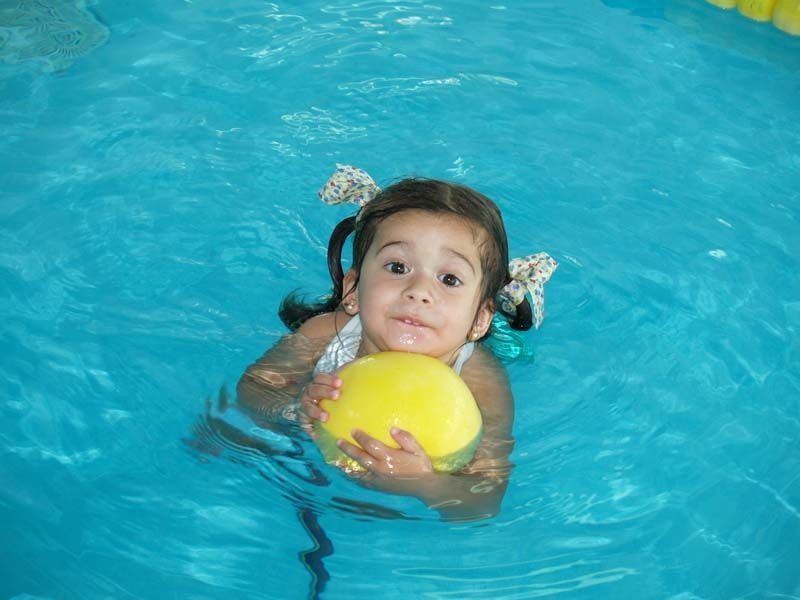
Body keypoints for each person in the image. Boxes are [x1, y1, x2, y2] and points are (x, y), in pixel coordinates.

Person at [237, 164, 557, 520]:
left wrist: (425, 484)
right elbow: (253, 389)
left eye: (449, 279)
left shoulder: (480, 381)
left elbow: (483, 501)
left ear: (480, 319)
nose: (419, 291)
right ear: (353, 290)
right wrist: (295, 408)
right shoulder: (326, 333)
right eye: (397, 268)